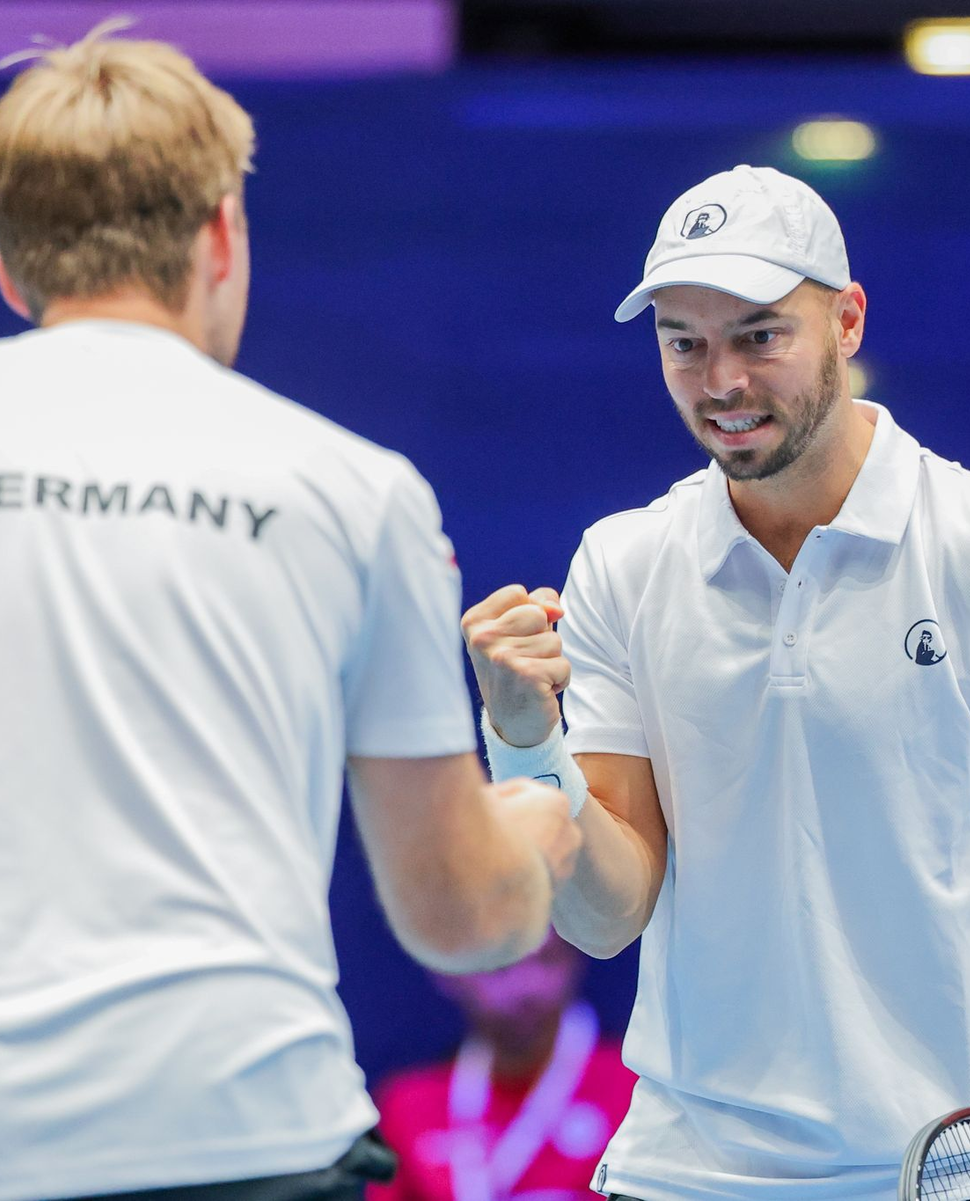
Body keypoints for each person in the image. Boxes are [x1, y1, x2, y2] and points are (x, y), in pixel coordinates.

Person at [461, 164, 970, 1200]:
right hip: (683, 1176)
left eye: (760, 335)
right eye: (684, 343)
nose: (721, 380)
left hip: (965, 1180)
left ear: (848, 320)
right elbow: (603, 915)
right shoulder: (622, 565)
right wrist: (525, 741)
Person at [0, 27, 579, 1201]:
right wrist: (546, 806)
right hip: (242, 1140)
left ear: (13, 269)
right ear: (222, 232)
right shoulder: (352, 490)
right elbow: (463, 917)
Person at [368, 932, 636, 1201]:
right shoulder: (407, 1106)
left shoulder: (634, 1088)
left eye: (547, 959)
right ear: (449, 971)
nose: (527, 986)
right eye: (500, 966)